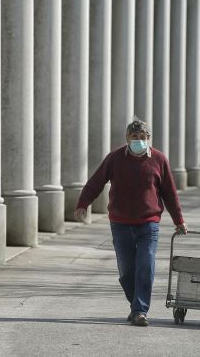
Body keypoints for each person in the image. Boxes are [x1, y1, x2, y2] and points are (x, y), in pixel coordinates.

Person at [74, 118, 188, 327]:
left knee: (146, 265)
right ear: (127, 138)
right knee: (127, 271)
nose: (138, 141)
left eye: (142, 137)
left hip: (149, 223)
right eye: (134, 137)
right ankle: (136, 304)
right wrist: (83, 203)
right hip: (120, 222)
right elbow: (96, 182)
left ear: (148, 139)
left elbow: (169, 193)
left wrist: (178, 220)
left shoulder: (159, 160)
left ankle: (139, 310)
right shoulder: (115, 158)